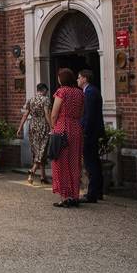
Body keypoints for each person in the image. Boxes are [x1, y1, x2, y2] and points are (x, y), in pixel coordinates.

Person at [50, 68, 84, 207]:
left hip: (62, 128)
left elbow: (54, 114)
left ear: (61, 79)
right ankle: (75, 195)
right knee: (74, 163)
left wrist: (53, 127)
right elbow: (82, 112)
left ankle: (64, 197)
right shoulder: (80, 93)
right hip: (76, 128)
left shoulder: (61, 91)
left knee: (60, 163)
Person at [78, 69, 105, 203]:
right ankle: (98, 191)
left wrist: (83, 131)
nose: (77, 80)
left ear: (85, 79)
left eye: (79, 77)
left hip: (90, 133)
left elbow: (88, 116)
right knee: (95, 161)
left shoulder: (89, 92)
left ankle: (92, 194)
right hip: (93, 131)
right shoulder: (91, 91)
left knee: (91, 163)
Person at [16, 83, 52, 184]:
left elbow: (25, 115)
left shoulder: (31, 100)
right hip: (42, 125)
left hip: (32, 125)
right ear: (44, 90)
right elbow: (47, 114)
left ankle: (43, 176)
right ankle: (32, 171)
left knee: (37, 150)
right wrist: (52, 126)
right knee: (42, 150)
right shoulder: (46, 99)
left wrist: (20, 127)